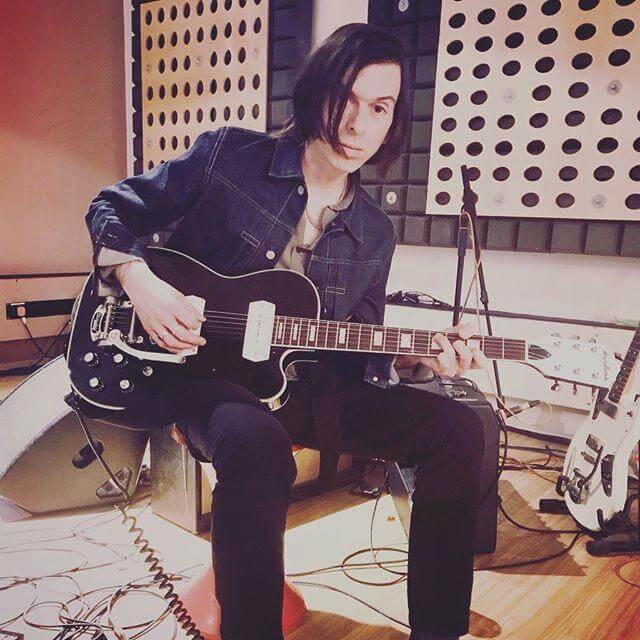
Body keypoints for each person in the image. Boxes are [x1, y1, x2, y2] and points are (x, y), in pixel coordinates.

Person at [82, 23, 485, 640]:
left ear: (394, 119)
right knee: (258, 445)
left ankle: (439, 630)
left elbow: (359, 348)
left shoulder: (375, 232)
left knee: (456, 428)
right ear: (317, 90)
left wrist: (417, 361)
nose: (357, 124)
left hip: (303, 387)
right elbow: (109, 207)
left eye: (379, 107)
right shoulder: (228, 157)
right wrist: (140, 281)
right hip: (199, 376)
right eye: (346, 98)